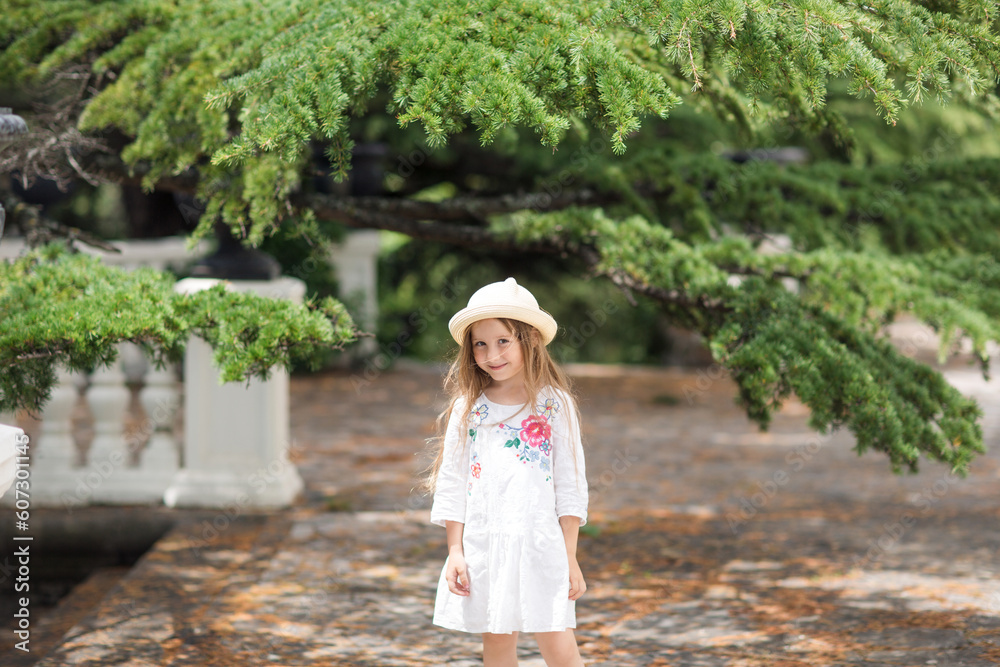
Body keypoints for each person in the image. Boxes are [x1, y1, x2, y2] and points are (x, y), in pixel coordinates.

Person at [427, 277, 589, 667]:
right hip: (486, 545)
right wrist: (455, 551)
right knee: (497, 645)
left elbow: (570, 485)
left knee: (559, 645)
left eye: (503, 341)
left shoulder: (555, 406)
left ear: (529, 341)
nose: (491, 354)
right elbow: (453, 482)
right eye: (480, 344)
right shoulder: (469, 409)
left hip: (542, 543)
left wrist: (569, 555)